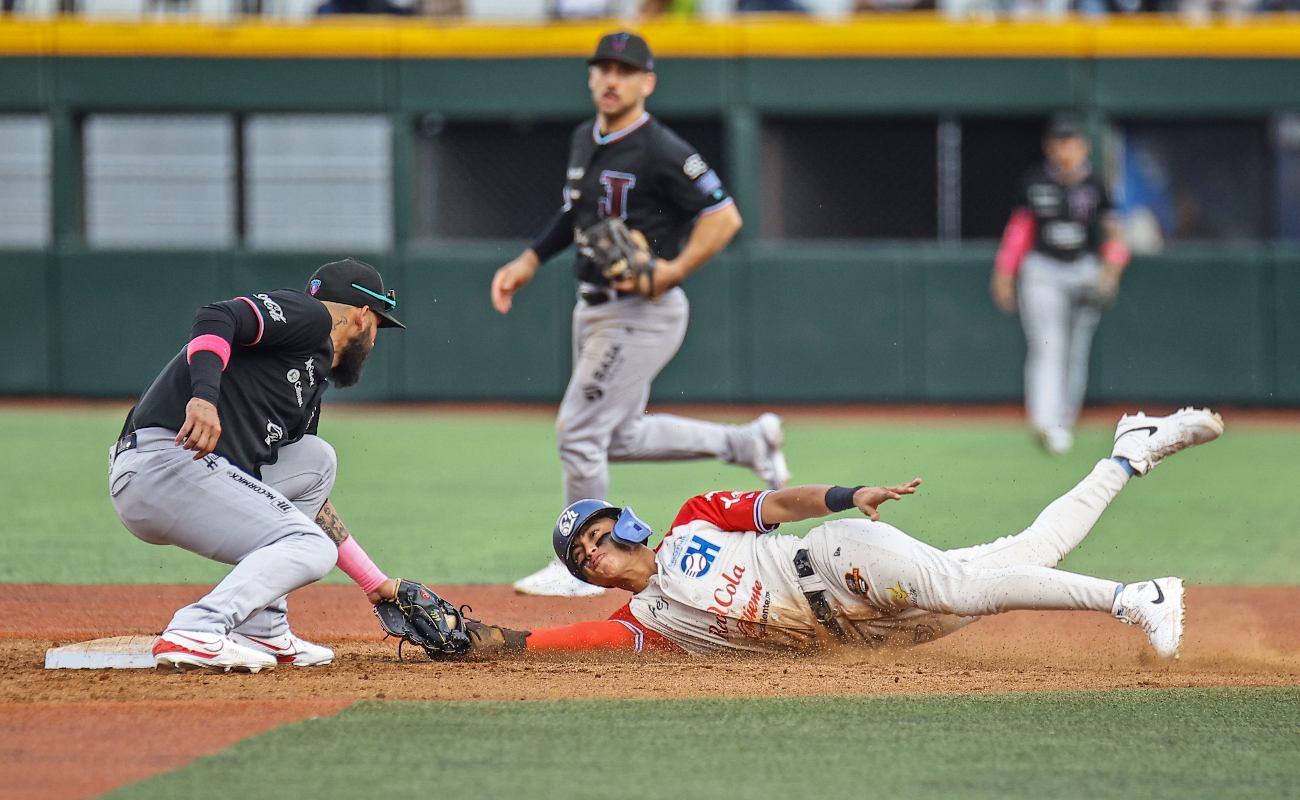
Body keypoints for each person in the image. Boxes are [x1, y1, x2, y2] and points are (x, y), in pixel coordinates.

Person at [428, 407, 1222, 660]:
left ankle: (1135, 596)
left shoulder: (693, 520)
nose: (596, 552)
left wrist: (850, 492)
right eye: (583, 554)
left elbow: (780, 502)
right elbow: (559, 645)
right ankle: (1130, 449)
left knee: (974, 584)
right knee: (1030, 558)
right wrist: (489, 642)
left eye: (598, 533)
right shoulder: (644, 624)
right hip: (870, 628)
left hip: (841, 559)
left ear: (625, 524)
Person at [490, 31, 790, 598]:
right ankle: (746, 445)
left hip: (641, 310)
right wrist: (530, 259)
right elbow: (573, 213)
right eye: (602, 68)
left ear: (646, 82)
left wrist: (671, 270)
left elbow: (724, 218)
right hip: (594, 308)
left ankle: (581, 566)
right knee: (617, 435)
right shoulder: (586, 137)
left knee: (578, 431)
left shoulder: (663, 149)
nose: (611, 78)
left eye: (624, 70)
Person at [109, 258, 404, 673]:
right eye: (378, 327)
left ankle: (261, 628)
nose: (374, 342)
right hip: (162, 462)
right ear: (362, 316)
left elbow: (309, 507)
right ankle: (198, 627)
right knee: (310, 547)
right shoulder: (310, 317)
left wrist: (375, 583)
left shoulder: (311, 377)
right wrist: (204, 396)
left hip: (191, 474)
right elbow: (217, 315)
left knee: (317, 461)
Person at [991, 117, 1132, 455]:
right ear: (1049, 147)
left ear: (1083, 146)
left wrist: (1111, 273)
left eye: (1070, 142)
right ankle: (1045, 421)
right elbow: (1020, 230)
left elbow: (1115, 233)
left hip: (1084, 270)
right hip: (1044, 269)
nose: (1064, 149)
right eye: (1058, 142)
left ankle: (1063, 421)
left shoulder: (1097, 184)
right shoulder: (1036, 181)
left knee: (1076, 350)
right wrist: (1004, 272)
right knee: (1047, 346)